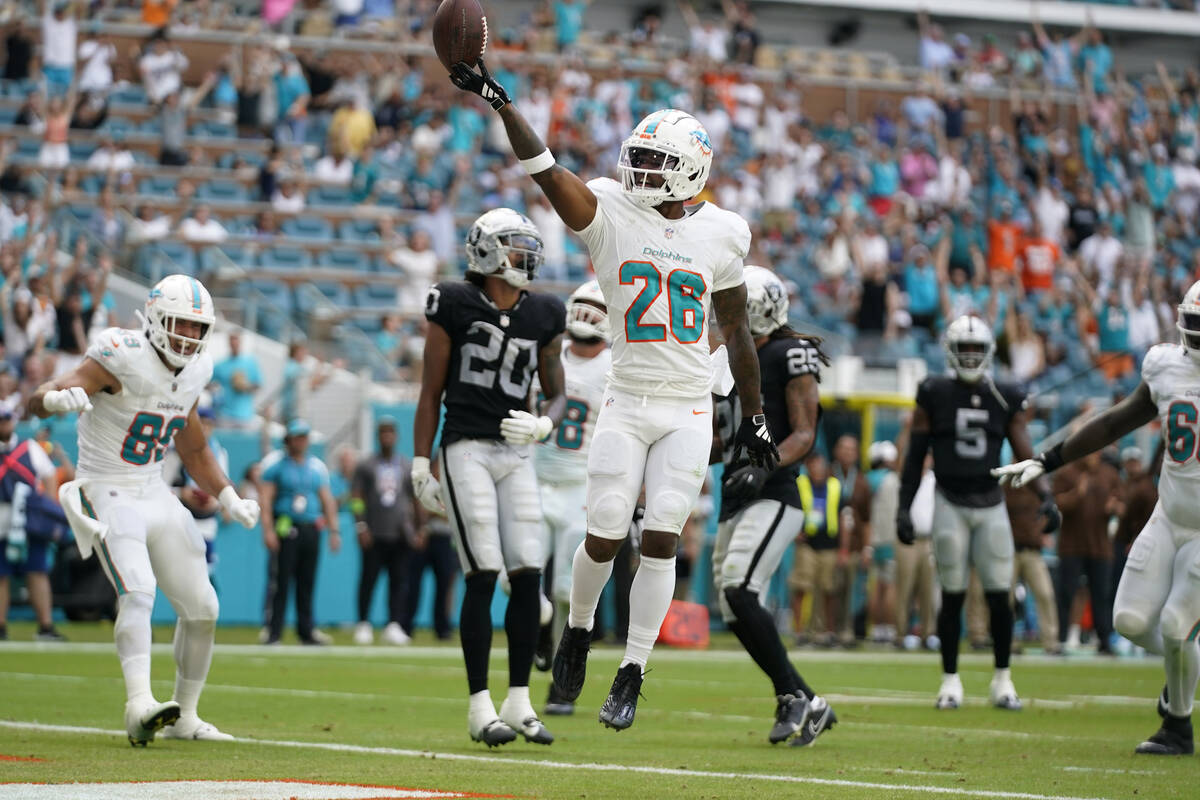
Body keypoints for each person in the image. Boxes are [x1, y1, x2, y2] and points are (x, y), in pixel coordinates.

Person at [449, 59, 777, 732]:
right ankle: (575, 631)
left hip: (686, 405)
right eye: (640, 158)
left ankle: (632, 669)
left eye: (657, 162)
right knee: (603, 534)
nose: (642, 172)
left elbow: (738, 328)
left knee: (660, 538)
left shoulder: (723, 233)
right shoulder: (611, 210)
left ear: (691, 170)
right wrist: (501, 103)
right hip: (627, 400)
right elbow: (545, 169)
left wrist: (757, 416)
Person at [30, 274, 260, 744]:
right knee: (138, 590)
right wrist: (54, 399)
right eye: (181, 324)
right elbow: (41, 396)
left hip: (152, 489)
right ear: (155, 319)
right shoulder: (120, 354)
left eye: (198, 328)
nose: (189, 337)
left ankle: (187, 716)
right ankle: (138, 705)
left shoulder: (195, 370)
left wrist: (229, 495)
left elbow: (194, 450)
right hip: (106, 486)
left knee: (204, 608)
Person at [996, 282, 1200, 754]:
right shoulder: (1166, 366)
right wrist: (1047, 459)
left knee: (1175, 627)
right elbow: (1115, 421)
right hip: (1170, 516)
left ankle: (1177, 726)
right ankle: (1182, 672)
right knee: (1128, 620)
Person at [411, 208, 566, 747]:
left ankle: (520, 702)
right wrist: (418, 461)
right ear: (487, 252)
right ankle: (480, 708)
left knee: (527, 574)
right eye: (515, 247)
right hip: (466, 448)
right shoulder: (453, 302)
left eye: (529, 247)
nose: (527, 257)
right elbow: (430, 391)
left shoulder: (544, 312)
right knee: (483, 570)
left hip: (516, 454)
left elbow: (557, 388)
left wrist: (545, 421)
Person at [896, 315, 1061, 711]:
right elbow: (916, 455)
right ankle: (950, 681)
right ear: (951, 352)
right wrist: (904, 507)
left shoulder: (1003, 394)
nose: (970, 356)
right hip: (950, 500)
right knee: (952, 596)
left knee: (998, 596)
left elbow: (1024, 448)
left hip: (990, 504)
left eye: (976, 349)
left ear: (987, 353)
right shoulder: (933, 392)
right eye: (963, 349)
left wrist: (1045, 494)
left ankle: (1003, 680)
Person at [711, 266, 835, 746]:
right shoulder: (729, 359)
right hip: (736, 494)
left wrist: (764, 466)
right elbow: (719, 442)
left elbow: (804, 431)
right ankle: (808, 700)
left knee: (740, 588)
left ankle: (791, 695)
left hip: (775, 493)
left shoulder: (787, 353)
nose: (726, 316)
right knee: (731, 603)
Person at [536, 279, 612, 717]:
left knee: (569, 591)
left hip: (580, 488)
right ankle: (542, 630)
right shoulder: (549, 354)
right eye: (580, 305)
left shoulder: (615, 368)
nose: (586, 314)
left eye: (593, 306)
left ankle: (561, 682)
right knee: (520, 574)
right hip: (534, 476)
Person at [259, 419, 340, 646]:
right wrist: (268, 530)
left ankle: (307, 630)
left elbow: (327, 499)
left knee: (307, 581)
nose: (301, 441)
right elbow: (266, 499)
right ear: (288, 440)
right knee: (281, 581)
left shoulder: (316, 467)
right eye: (297, 437)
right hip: (286, 526)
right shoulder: (276, 465)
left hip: (310, 528)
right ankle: (274, 631)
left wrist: (334, 531)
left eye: (304, 437)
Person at [0, 407, 67, 641]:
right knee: (1, 575)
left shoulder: (28, 448)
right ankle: (1, 627)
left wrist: (46, 510)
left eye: (5, 421)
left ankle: (45, 627)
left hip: (28, 518)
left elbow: (48, 475)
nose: (3, 426)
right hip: (1, 518)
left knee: (37, 571)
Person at [351, 417, 417, 646]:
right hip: (375, 531)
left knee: (398, 581)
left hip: (399, 532)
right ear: (378, 436)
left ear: (396, 436)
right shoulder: (366, 465)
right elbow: (357, 497)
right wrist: (361, 525)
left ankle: (393, 624)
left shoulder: (405, 465)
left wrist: (419, 528)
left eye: (390, 432)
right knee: (368, 579)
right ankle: (363, 623)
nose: (387, 437)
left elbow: (413, 498)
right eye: (383, 433)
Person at [1051, 451, 1118, 654]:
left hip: (1100, 546)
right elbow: (1057, 504)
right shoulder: (1066, 474)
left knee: (1101, 595)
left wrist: (1115, 507)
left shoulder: (1109, 474)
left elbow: (1122, 500)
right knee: (1066, 593)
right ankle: (1061, 639)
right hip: (1072, 545)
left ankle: (1104, 640)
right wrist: (1076, 494)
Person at [212, 332, 260, 429]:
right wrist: (215, 392)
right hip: (225, 414)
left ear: (240, 342)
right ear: (229, 342)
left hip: (245, 415)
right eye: (232, 340)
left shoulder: (250, 362)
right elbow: (208, 383)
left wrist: (246, 386)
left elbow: (258, 385)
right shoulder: (221, 364)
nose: (234, 343)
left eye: (236, 340)